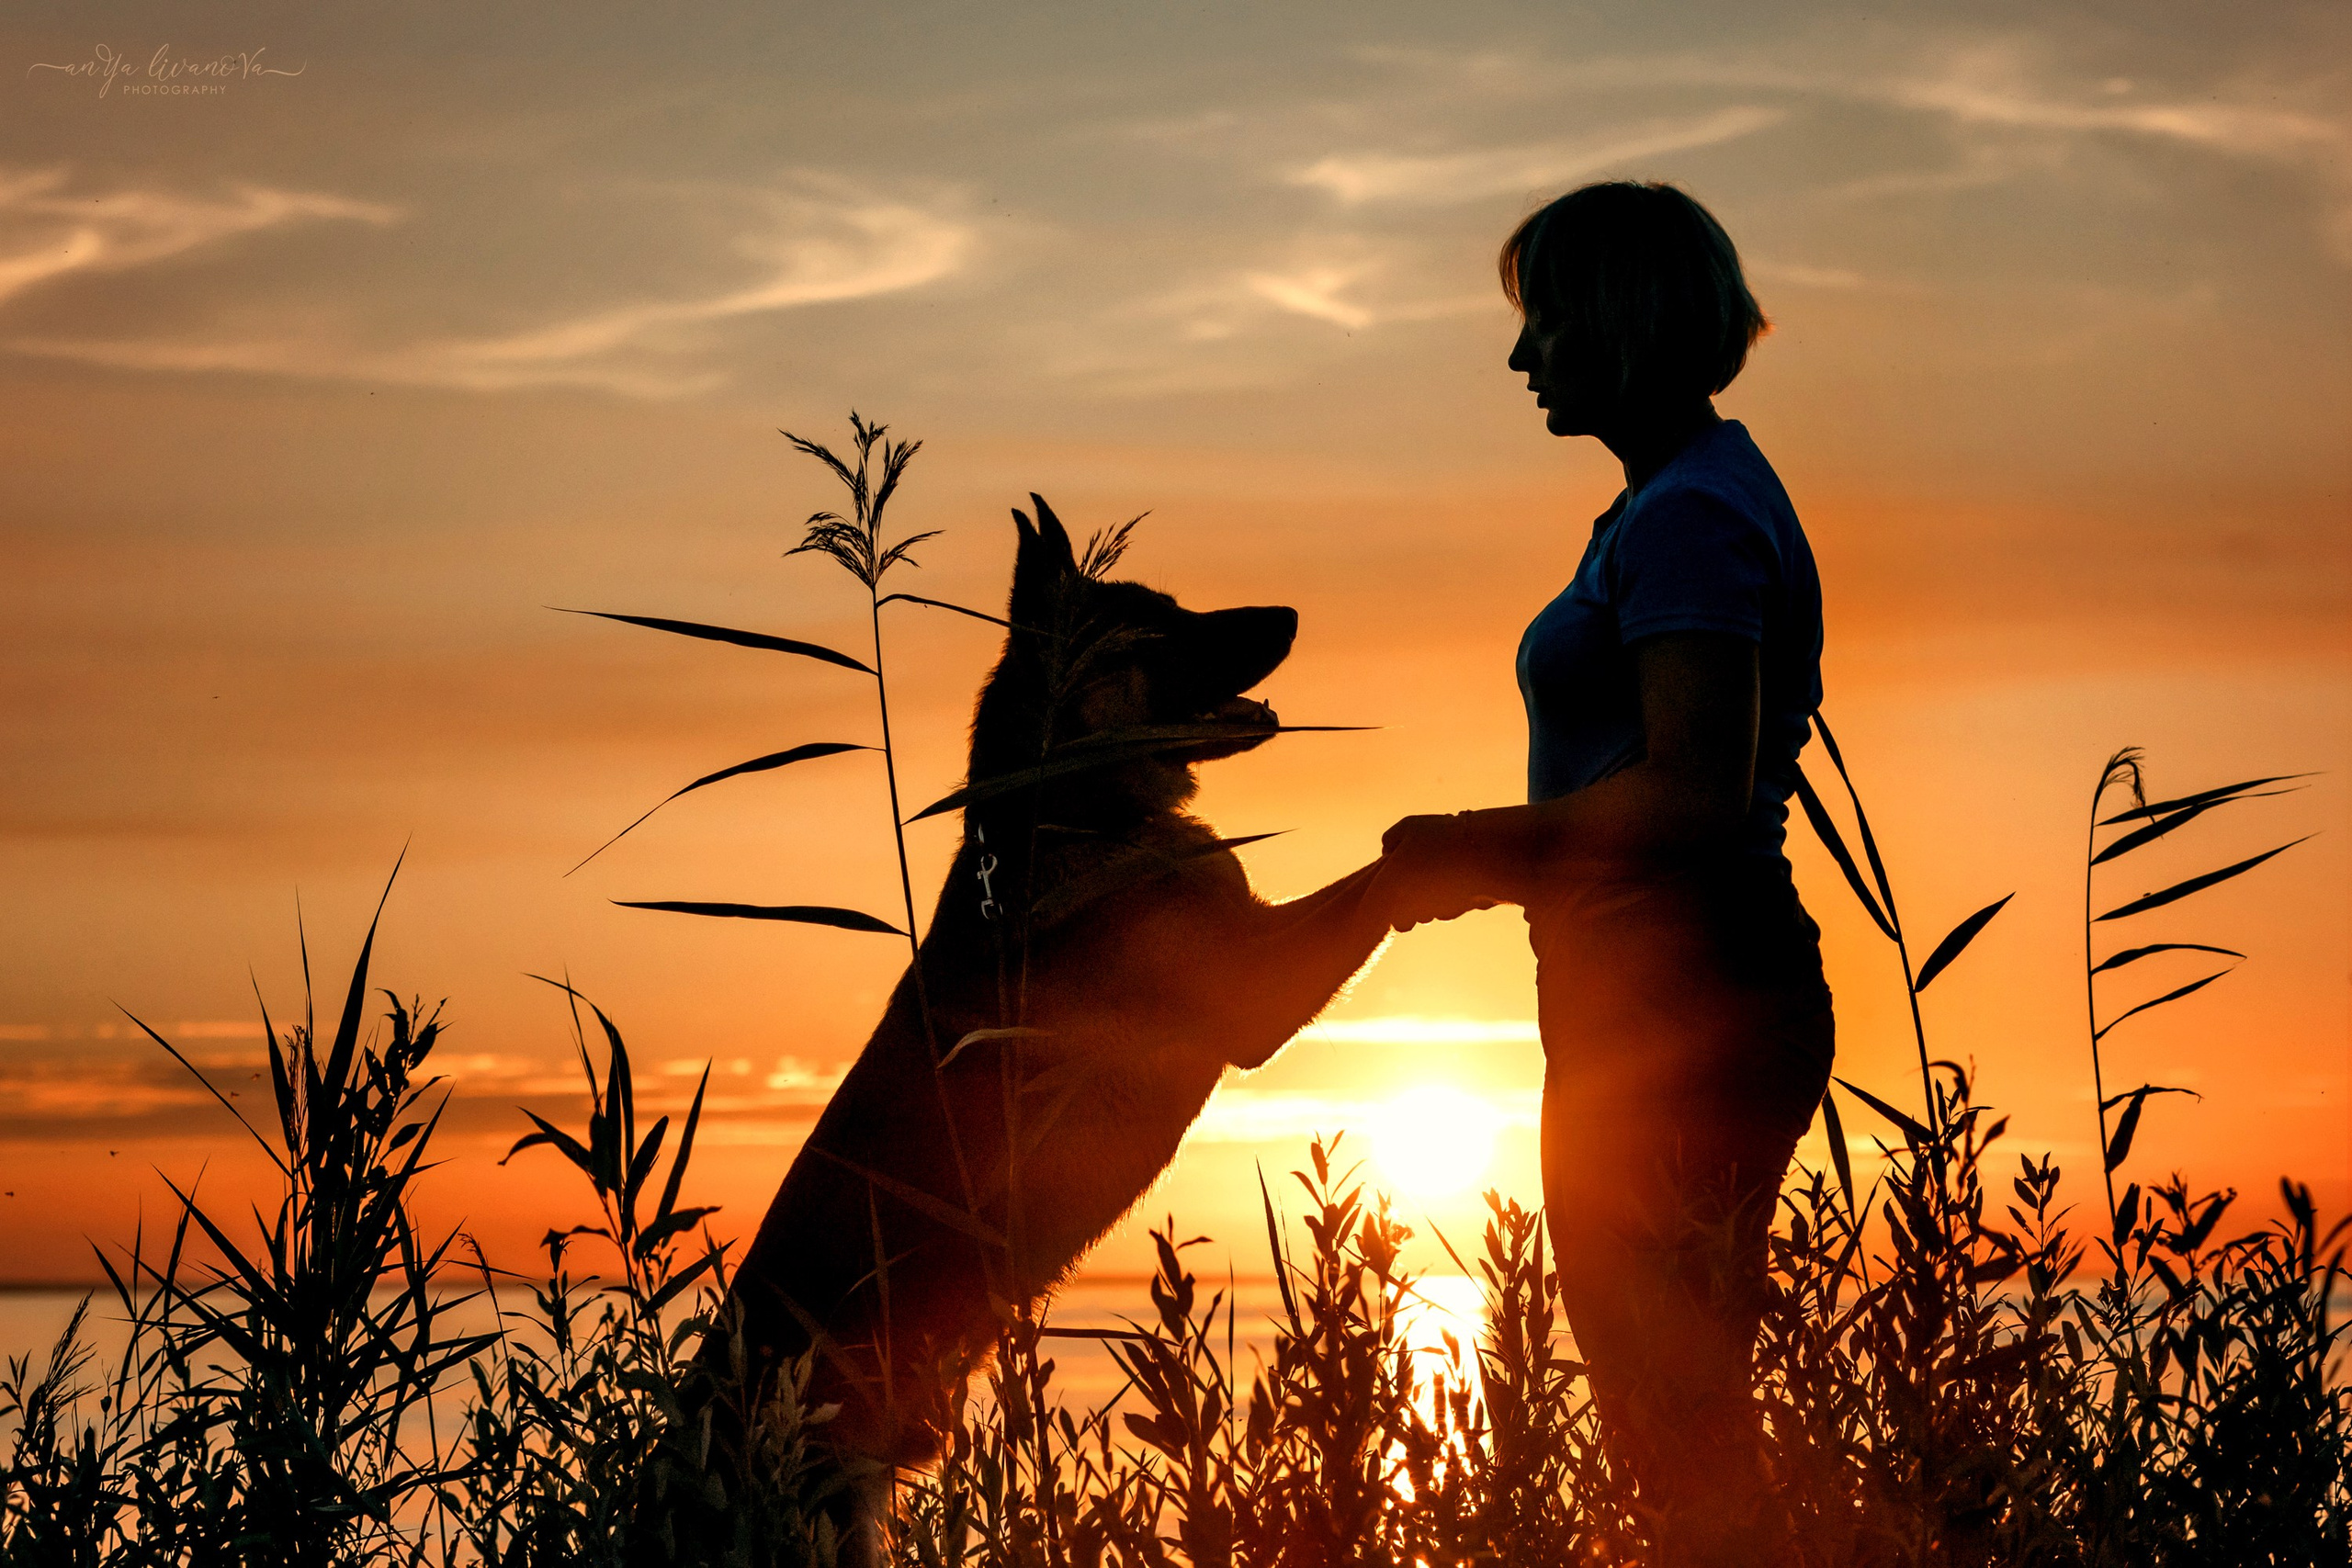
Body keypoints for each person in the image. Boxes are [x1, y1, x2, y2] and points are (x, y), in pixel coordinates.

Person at [1371, 181, 1833, 1567]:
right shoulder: (1664, 506)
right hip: (1652, 996)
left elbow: (1693, 795)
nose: (1524, 358)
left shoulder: (1692, 515)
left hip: (1684, 1002)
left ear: (1624, 320)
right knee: (1673, 1419)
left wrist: (1476, 845)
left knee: (1673, 1422)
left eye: (1549, 321)